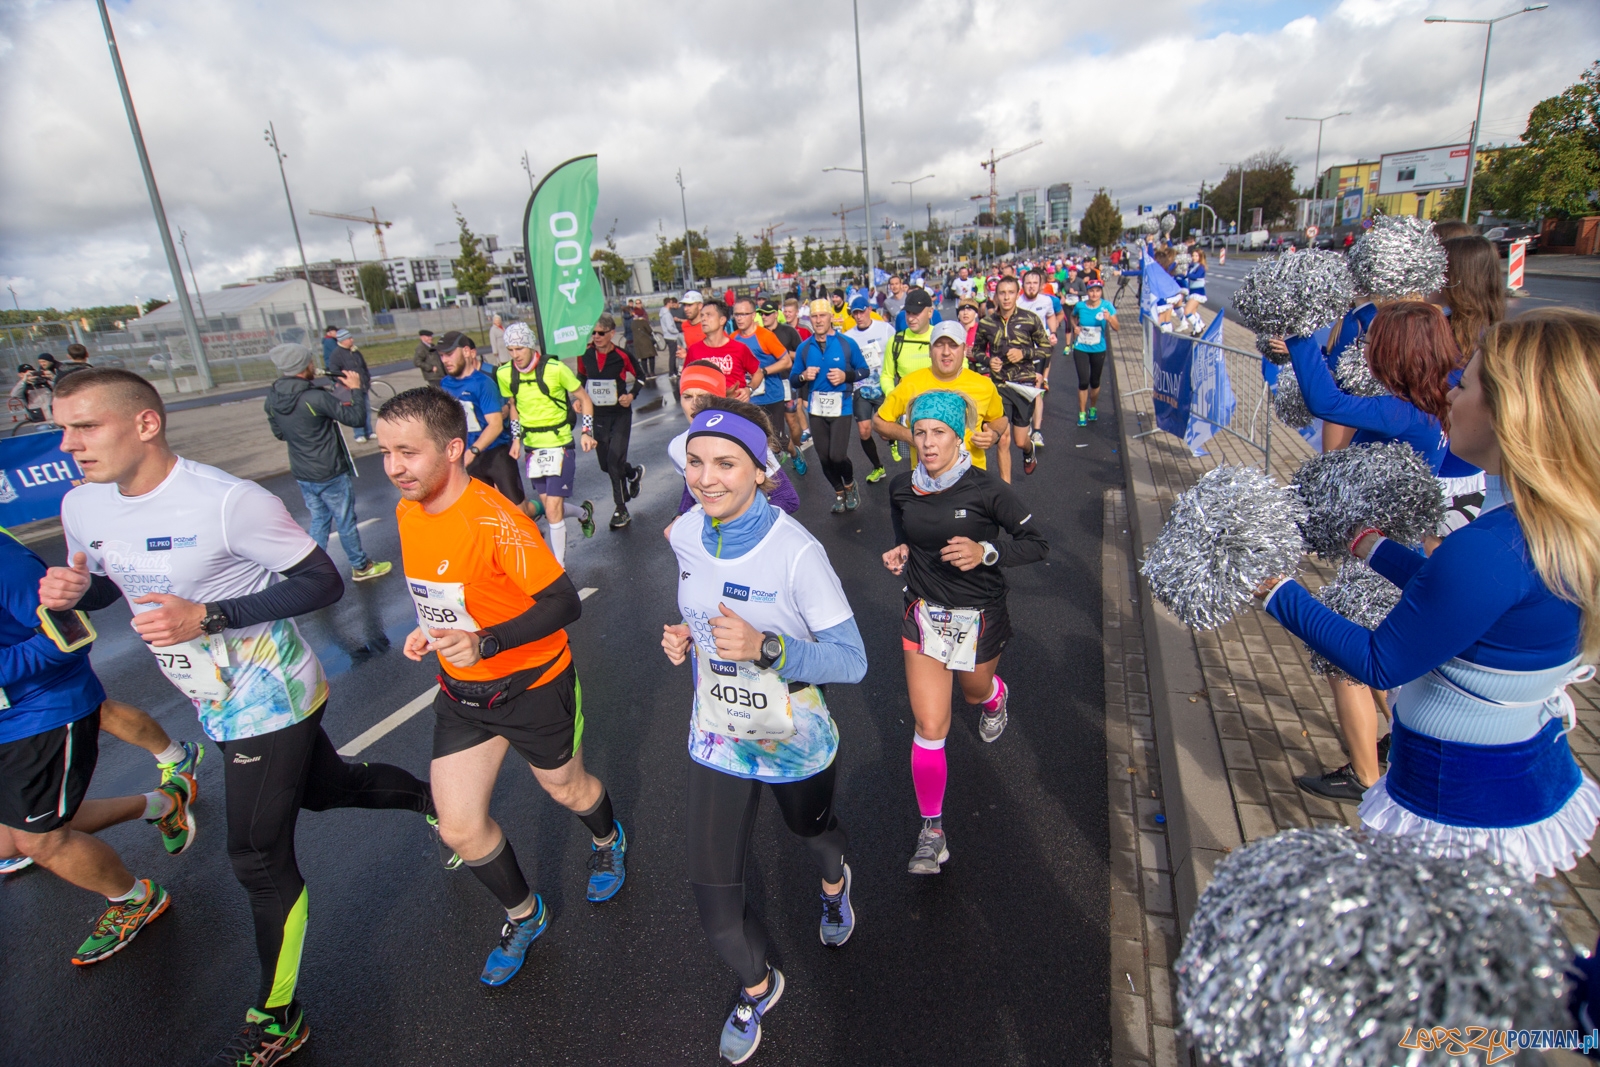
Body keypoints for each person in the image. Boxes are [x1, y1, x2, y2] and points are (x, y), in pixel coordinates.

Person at [40, 368, 438, 1064]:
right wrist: (81, 590)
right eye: (63, 428)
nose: (68, 443)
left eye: (85, 426)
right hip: (210, 695)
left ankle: (278, 1014)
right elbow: (112, 584)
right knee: (326, 788)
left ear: (145, 423)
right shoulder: (82, 504)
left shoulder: (227, 501)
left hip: (270, 691)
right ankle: (435, 802)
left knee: (256, 854)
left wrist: (210, 615)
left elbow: (322, 580)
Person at [1257, 308, 1600, 883]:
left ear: (1513, 413)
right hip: (1519, 771)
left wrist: (1276, 591)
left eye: (1465, 383)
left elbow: (1381, 660)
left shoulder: (1492, 548)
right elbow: (1457, 604)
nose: (1449, 391)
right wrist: (1373, 547)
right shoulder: (1551, 526)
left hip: (1457, 799)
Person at [376, 387, 627, 987]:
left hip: (532, 685)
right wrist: (430, 627)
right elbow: (451, 591)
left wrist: (486, 642)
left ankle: (607, 837)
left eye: (408, 452)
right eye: (385, 453)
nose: (394, 468)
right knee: (459, 827)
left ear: (453, 449)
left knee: (567, 790)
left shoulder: (496, 520)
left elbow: (564, 602)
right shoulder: (409, 511)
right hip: (462, 693)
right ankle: (525, 913)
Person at [660, 400, 867, 1064]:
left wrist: (768, 647)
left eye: (725, 463)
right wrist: (686, 636)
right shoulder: (686, 532)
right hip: (717, 736)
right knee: (713, 899)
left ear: (759, 469)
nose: (706, 478)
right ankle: (758, 985)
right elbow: (703, 605)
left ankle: (834, 882)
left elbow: (852, 661)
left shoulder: (796, 552)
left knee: (812, 832)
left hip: (793, 738)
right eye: (696, 463)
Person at [1279, 302, 1460, 804]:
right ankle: (1404, 738)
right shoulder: (1437, 400)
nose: (1368, 351)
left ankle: (1365, 775)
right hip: (1392, 545)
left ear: (1396, 353)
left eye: (1376, 344)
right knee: (1381, 659)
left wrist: (1296, 332)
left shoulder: (1400, 411)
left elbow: (1324, 401)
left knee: (1350, 664)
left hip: (1381, 553)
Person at [2, 528, 196, 962]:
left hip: (39, 715)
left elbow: (71, 636)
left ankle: (134, 899)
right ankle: (163, 804)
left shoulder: (6, 563)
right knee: (11, 840)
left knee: (40, 841)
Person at [883, 390, 1048, 874]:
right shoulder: (901, 487)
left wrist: (986, 552)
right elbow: (905, 531)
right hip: (923, 613)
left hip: (978, 615)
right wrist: (902, 551)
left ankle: (994, 696)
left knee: (973, 693)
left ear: (958, 437)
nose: (928, 443)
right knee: (930, 726)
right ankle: (932, 833)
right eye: (920, 432)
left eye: (939, 432)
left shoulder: (986, 489)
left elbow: (1037, 543)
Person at [264, 342, 394, 583]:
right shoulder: (315, 397)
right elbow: (356, 418)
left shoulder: (272, 398)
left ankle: (310, 570)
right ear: (304, 365)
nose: (314, 365)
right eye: (310, 361)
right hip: (329, 471)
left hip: (303, 472)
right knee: (345, 520)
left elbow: (280, 433)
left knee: (320, 520)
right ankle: (361, 566)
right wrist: (356, 389)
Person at [496, 323, 597, 565]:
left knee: (552, 510)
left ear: (531, 346)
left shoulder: (556, 369)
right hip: (533, 448)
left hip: (560, 444)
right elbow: (514, 407)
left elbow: (584, 399)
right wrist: (516, 439)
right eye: (510, 350)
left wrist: (586, 432)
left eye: (519, 348)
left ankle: (558, 567)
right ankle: (583, 513)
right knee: (551, 507)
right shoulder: (505, 374)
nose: (515, 355)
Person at [873, 321, 1006, 475]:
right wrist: (911, 436)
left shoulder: (984, 385)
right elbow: (879, 421)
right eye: (939, 345)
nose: (946, 352)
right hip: (926, 479)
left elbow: (1000, 418)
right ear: (930, 350)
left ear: (964, 350)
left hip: (972, 477)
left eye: (953, 345)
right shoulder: (910, 383)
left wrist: (993, 434)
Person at [435, 331, 534, 520]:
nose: (445, 360)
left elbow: (495, 425)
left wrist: (473, 451)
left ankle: (541, 509)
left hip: (495, 453)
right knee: (485, 513)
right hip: (466, 456)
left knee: (519, 512)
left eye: (449, 354)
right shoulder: (445, 384)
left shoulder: (483, 383)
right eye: (441, 356)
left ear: (466, 351)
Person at [791, 299, 869, 513]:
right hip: (816, 409)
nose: (818, 320)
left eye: (822, 316)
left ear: (831, 317)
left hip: (841, 406)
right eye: (814, 316)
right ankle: (839, 492)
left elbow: (864, 370)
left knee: (837, 455)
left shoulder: (846, 343)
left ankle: (850, 484)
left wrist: (846, 376)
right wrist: (803, 376)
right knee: (824, 457)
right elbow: (794, 380)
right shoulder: (804, 348)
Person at [579, 314, 647, 529]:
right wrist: (579, 398)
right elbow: (581, 377)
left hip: (620, 415)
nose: (596, 336)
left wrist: (631, 396)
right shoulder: (585, 355)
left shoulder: (622, 355)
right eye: (594, 333)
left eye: (601, 333)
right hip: (598, 416)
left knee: (614, 460)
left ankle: (620, 508)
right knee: (605, 465)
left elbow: (641, 376)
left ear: (611, 333)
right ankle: (632, 473)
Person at [845, 296, 894, 483]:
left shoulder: (885, 329)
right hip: (861, 388)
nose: (858, 316)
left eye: (861, 311)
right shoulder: (849, 336)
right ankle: (878, 467)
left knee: (884, 432)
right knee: (864, 431)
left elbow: (895, 352)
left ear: (869, 310)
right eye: (855, 313)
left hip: (882, 385)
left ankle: (893, 440)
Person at [754, 301, 806, 473]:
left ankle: (797, 450)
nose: (764, 317)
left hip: (786, 380)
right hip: (766, 385)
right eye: (762, 314)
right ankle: (780, 449)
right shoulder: (759, 334)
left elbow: (801, 354)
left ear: (776, 314)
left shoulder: (788, 331)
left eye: (768, 313)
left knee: (791, 420)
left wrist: (783, 353)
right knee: (769, 427)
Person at [686, 300, 764, 401]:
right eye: (702, 315)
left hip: (735, 406)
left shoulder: (739, 348)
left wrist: (749, 389)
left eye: (709, 315)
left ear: (722, 320)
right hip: (707, 406)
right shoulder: (694, 350)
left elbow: (758, 373)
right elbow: (685, 380)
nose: (703, 319)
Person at [1068, 279, 1119, 428]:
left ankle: (1093, 407)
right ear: (1087, 292)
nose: (1094, 294)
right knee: (1083, 381)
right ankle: (1082, 412)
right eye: (1091, 291)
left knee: (1095, 381)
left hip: (1098, 348)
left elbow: (1117, 327)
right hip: (1081, 347)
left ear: (1101, 292)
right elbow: (1072, 316)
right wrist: (1075, 327)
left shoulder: (1107, 306)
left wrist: (1109, 319)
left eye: (1097, 291)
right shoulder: (1080, 306)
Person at [325, 328, 374, 442]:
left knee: (366, 409)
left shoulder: (355, 351)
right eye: (349, 338)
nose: (352, 340)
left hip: (362, 385)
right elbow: (334, 372)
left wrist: (367, 378)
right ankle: (359, 434)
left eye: (351, 337)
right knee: (356, 410)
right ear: (342, 341)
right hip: (350, 388)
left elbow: (363, 366)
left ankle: (369, 432)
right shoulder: (336, 354)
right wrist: (346, 382)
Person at [625, 298, 660, 381]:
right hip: (646, 341)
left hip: (637, 342)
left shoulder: (632, 323)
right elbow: (649, 330)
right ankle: (652, 372)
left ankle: (646, 373)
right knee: (651, 357)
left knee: (643, 358)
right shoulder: (643, 321)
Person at [1181, 249, 1208, 334]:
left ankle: (1198, 329)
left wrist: (1186, 274)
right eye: (1193, 255)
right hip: (1192, 291)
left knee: (1187, 311)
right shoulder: (1192, 266)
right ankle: (1200, 325)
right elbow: (1186, 276)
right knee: (1193, 312)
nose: (1194, 257)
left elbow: (1196, 276)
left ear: (1200, 257)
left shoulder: (1201, 267)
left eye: (1196, 256)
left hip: (1198, 292)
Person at [660, 296, 684, 382]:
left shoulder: (663, 313)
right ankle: (671, 373)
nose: (672, 304)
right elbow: (670, 327)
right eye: (670, 302)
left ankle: (674, 371)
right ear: (668, 303)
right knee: (673, 355)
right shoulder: (667, 314)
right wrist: (676, 331)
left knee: (672, 354)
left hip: (668, 336)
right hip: (671, 336)